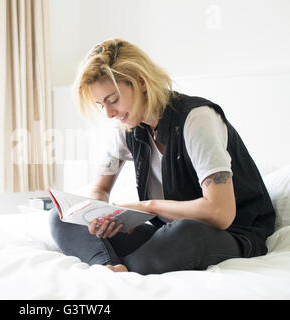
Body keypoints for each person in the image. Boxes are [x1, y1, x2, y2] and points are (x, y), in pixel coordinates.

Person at [48, 38, 276, 275]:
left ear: (140, 81)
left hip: (230, 233)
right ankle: (109, 268)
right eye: (100, 104)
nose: (108, 113)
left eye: (113, 100)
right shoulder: (126, 128)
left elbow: (220, 214)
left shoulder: (197, 120)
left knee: (183, 234)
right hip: (163, 234)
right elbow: (100, 188)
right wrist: (95, 214)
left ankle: (108, 262)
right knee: (60, 218)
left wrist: (148, 207)